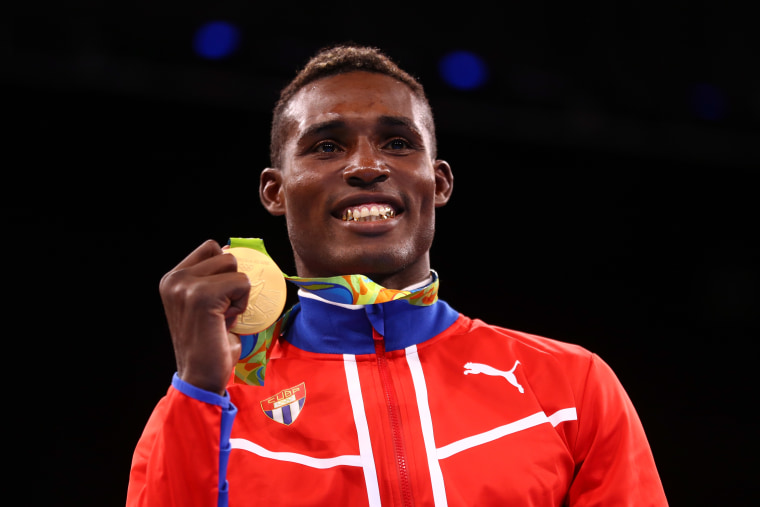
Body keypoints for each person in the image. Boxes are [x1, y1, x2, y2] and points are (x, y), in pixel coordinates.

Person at [127, 43, 668, 506]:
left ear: (439, 183)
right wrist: (199, 389)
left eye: (398, 143)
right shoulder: (211, 404)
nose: (367, 165)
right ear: (276, 190)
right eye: (327, 146)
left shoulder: (570, 386)